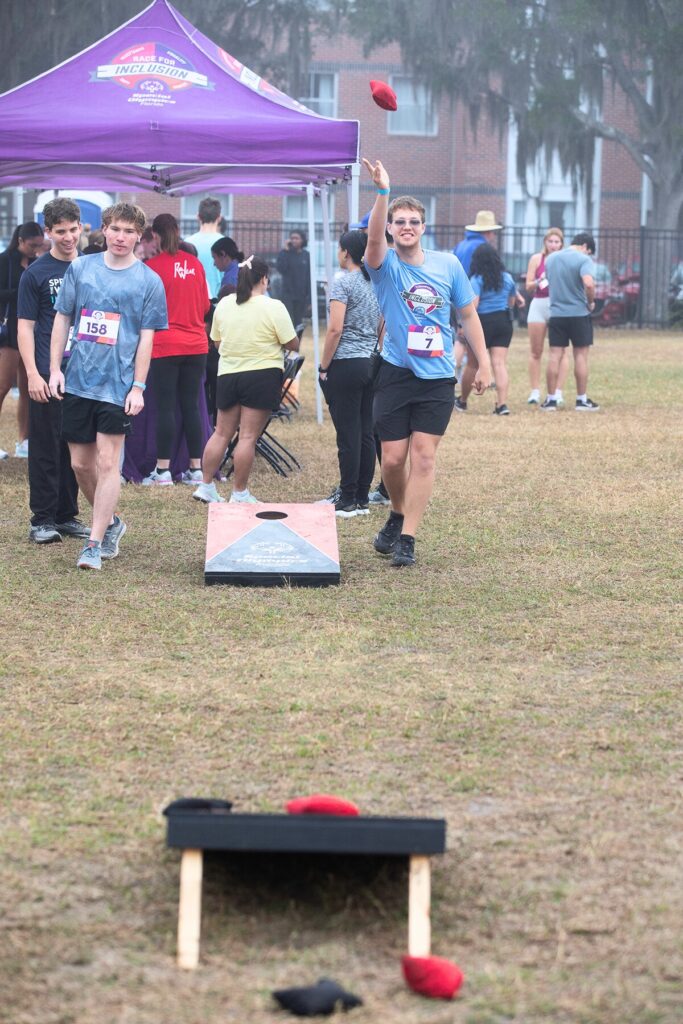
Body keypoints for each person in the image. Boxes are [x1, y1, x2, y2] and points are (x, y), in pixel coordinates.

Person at [361, 157, 491, 568]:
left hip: (437, 377)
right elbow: (372, 241)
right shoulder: (385, 267)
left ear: (423, 226)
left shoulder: (448, 265)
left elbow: (468, 315)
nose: (406, 227)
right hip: (396, 373)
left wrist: (482, 363)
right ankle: (397, 512)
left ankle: (408, 538)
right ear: (390, 228)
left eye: (413, 221)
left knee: (424, 455)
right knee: (394, 459)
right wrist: (383, 191)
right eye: (399, 221)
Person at [48, 202, 168, 570]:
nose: (121, 237)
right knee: (81, 465)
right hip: (79, 380)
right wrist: (54, 368)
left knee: (107, 462)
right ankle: (113, 522)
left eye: (129, 232)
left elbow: (147, 339)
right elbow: (63, 318)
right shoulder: (81, 269)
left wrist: (139, 387)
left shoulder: (149, 281)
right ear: (103, 229)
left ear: (139, 236)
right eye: (115, 229)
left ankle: (94, 543)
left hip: (117, 387)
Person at [192, 255, 299, 505]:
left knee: (220, 433)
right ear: (264, 279)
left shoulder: (226, 304)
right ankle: (239, 493)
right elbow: (291, 342)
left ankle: (205, 485)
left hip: (228, 374)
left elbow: (217, 342)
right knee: (248, 437)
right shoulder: (273, 306)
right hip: (261, 375)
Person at [17, 198, 90, 544]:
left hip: (83, 374)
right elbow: (25, 327)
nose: (67, 237)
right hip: (48, 373)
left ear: (80, 228)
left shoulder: (91, 269)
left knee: (73, 446)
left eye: (73, 230)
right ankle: (42, 519)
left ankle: (66, 515)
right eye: (60, 231)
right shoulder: (36, 273)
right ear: (47, 232)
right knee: (45, 445)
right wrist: (33, 373)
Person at [317, 229, 381, 516]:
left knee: (347, 434)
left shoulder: (343, 284)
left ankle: (347, 499)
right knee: (366, 431)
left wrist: (324, 365)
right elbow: (383, 324)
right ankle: (363, 497)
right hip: (371, 361)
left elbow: (335, 329)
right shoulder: (377, 283)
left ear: (346, 252)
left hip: (346, 362)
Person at [144, 213, 210, 485]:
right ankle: (196, 469)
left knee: (166, 407)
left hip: (166, 344)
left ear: (156, 236)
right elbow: (206, 306)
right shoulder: (195, 264)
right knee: (191, 406)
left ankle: (163, 471)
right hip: (196, 345)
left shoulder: (152, 267)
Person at [0, 221, 45, 459]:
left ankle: (24, 440)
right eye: (31, 245)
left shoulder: (37, 263)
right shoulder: (4, 260)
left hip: (30, 333)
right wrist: (20, 289)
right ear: (20, 241)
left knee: (28, 389)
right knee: (3, 386)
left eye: (39, 246)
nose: (35, 250)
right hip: (8, 332)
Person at [541, 232, 600, 412]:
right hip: (579, 314)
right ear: (585, 247)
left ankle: (551, 400)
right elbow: (589, 284)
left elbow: (548, 282)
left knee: (554, 356)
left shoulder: (551, 259)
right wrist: (590, 302)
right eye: (589, 252)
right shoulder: (583, 260)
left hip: (557, 314)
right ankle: (581, 400)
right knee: (580, 356)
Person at [465, 243, 525, 416]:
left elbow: (473, 306)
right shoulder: (507, 278)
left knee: (472, 364)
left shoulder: (476, 280)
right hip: (503, 321)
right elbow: (512, 302)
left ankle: (462, 401)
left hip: (482, 322)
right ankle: (502, 404)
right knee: (499, 363)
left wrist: (463, 325)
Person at [452, 210, 503, 380]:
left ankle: (451, 373)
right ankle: (452, 374)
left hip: (453, 294)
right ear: (488, 232)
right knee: (463, 338)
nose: (494, 236)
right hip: (470, 296)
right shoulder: (483, 248)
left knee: (459, 339)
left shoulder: (461, 245)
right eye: (493, 232)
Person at [525, 227, 568, 405]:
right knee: (536, 351)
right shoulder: (537, 259)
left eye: (556, 242)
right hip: (539, 304)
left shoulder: (565, 259)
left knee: (560, 351)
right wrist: (539, 280)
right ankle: (535, 391)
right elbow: (528, 286)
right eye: (550, 241)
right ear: (545, 242)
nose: (553, 245)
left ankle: (557, 391)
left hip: (558, 305)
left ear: (561, 244)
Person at [185, 197, 223, 299]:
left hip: (193, 302)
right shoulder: (226, 244)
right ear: (219, 218)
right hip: (218, 304)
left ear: (198, 216)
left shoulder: (187, 244)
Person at [276, 230, 311, 332]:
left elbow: (309, 276)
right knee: (288, 320)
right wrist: (285, 251)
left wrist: (309, 299)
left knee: (298, 323)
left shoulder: (306, 255)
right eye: (292, 238)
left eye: (297, 238)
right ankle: (287, 345)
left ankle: (297, 345)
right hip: (287, 294)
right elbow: (281, 268)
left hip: (301, 295)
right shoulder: (285, 253)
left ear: (302, 240)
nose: (294, 240)